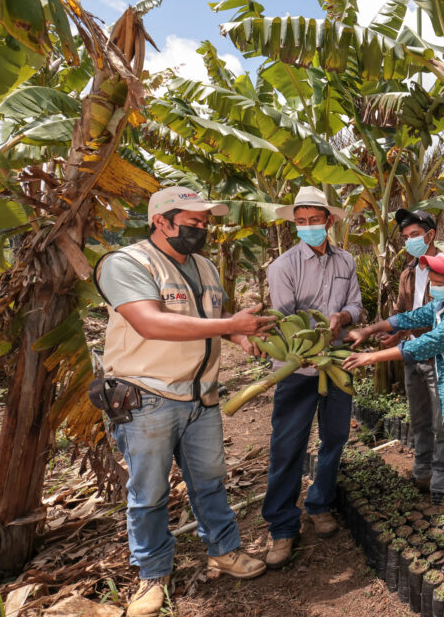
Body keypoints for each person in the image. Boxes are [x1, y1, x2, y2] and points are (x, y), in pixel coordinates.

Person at [93, 186, 272, 617]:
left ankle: (224, 550)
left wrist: (239, 336)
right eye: (193, 221)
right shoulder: (128, 263)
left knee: (210, 480)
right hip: (148, 397)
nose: (202, 228)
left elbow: (211, 323)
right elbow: (150, 323)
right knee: (149, 491)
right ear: (161, 221)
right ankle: (153, 573)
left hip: (201, 397)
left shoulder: (206, 267)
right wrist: (231, 322)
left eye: (206, 221)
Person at [343, 250, 444, 549]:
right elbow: (410, 317)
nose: (431, 283)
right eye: (431, 277)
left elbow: (423, 345)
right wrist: (369, 329)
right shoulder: (443, 304)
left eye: (439, 280)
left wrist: (370, 358)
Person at [261, 186, 363, 569]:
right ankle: (282, 527)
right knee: (288, 446)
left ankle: (320, 503)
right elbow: (287, 321)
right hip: (297, 368)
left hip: (337, 362)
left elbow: (355, 303)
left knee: (335, 437)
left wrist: (345, 318)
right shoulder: (283, 266)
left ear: (329, 221)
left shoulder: (346, 262)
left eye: (314, 221)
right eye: (300, 223)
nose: (307, 228)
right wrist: (317, 335)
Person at [383, 208, 444, 506]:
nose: (409, 241)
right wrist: (395, 335)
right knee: (420, 418)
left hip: (438, 355)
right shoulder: (408, 272)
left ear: (430, 235)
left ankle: (441, 479)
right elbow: (403, 311)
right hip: (412, 353)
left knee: (442, 422)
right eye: (406, 237)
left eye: (414, 235)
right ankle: (422, 471)